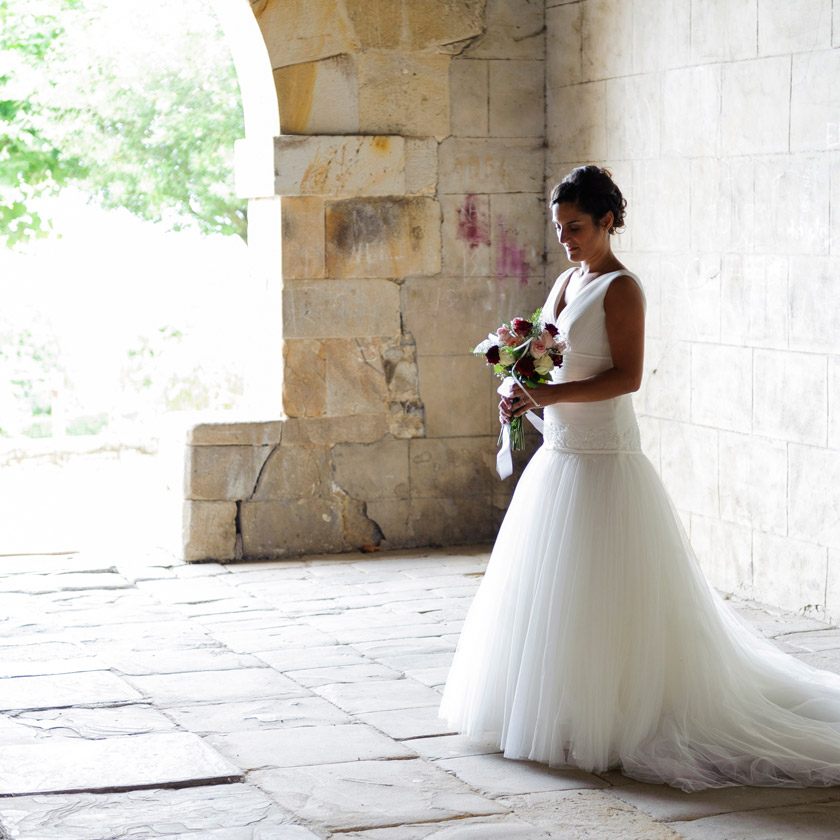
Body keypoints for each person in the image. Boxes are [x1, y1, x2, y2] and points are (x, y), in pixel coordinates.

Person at [439, 165, 840, 792]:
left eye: (576, 227)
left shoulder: (622, 289)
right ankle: (567, 712)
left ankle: (618, 717)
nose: (566, 239)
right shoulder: (568, 281)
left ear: (609, 222)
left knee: (605, 595)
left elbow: (627, 377)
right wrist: (526, 396)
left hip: (605, 464)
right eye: (559, 228)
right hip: (561, 458)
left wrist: (547, 386)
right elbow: (556, 365)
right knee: (556, 595)